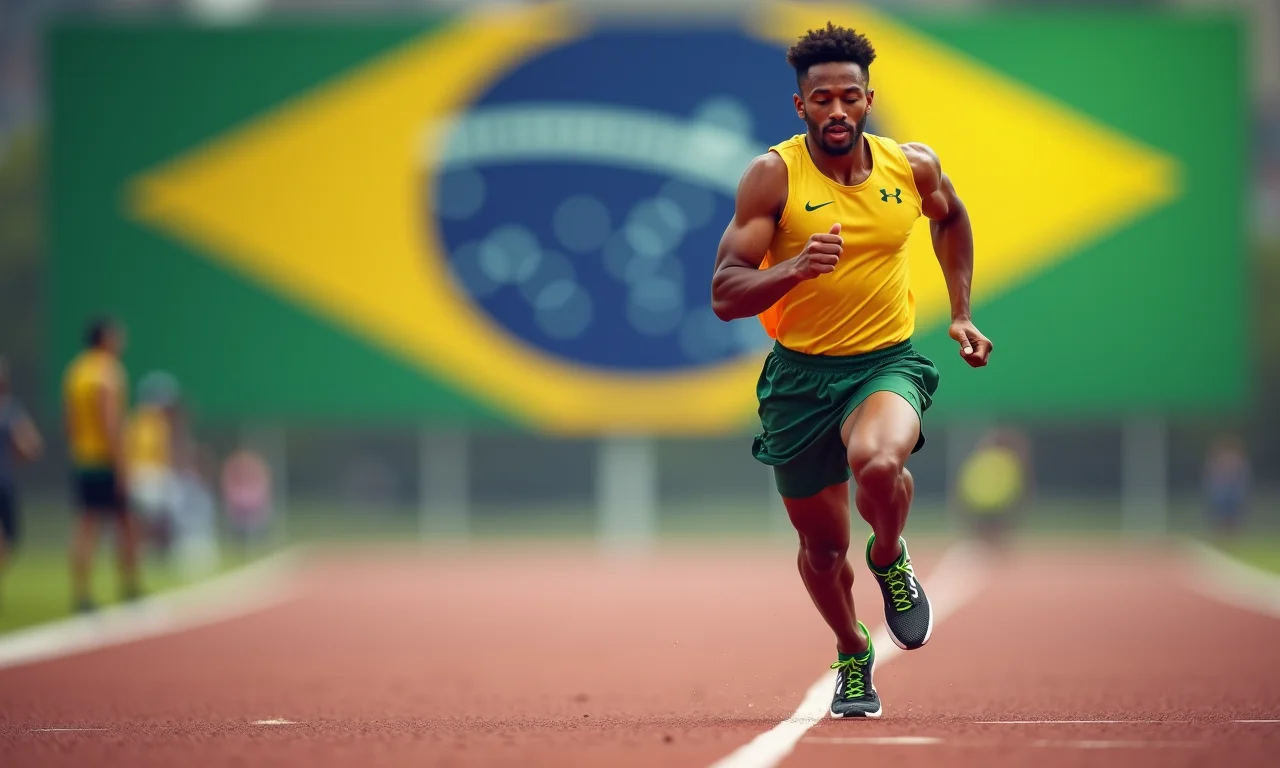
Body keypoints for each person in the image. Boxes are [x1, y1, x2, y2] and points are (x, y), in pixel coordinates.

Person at [710, 23, 993, 718]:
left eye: (850, 97)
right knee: (822, 547)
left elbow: (950, 219)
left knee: (876, 461)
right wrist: (793, 269)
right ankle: (852, 650)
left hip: (884, 363)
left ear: (868, 99)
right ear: (800, 107)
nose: (837, 111)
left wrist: (959, 311)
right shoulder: (773, 176)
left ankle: (891, 556)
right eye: (822, 99)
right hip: (800, 380)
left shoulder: (911, 166)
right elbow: (725, 293)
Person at [62, 318, 141, 611]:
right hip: (106, 460)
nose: (121, 340)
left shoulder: (76, 372)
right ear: (105, 339)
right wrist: (121, 465)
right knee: (127, 523)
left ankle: (81, 594)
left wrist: (76, 450)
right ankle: (130, 588)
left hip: (83, 457)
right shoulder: (107, 372)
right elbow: (110, 423)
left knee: (86, 524)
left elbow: (69, 421)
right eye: (117, 335)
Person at [0, 356, 44, 599]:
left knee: (9, 537)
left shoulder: (10, 410)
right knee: (6, 538)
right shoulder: (9, 411)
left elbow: (31, 446)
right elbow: (32, 446)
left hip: (5, 481)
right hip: (4, 483)